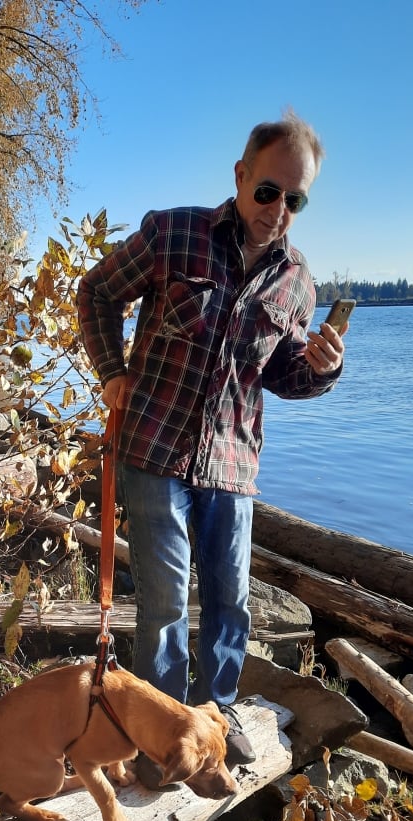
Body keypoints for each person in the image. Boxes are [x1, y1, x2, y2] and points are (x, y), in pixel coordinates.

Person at [77, 110, 347, 786]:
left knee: (230, 601)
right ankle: (159, 733)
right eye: (268, 191)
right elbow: (97, 293)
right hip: (153, 449)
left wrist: (320, 367)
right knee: (165, 602)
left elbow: (280, 375)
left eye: (296, 199)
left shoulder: (297, 282)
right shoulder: (173, 233)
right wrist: (111, 371)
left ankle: (216, 721)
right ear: (240, 176)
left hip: (231, 463)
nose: (279, 210)